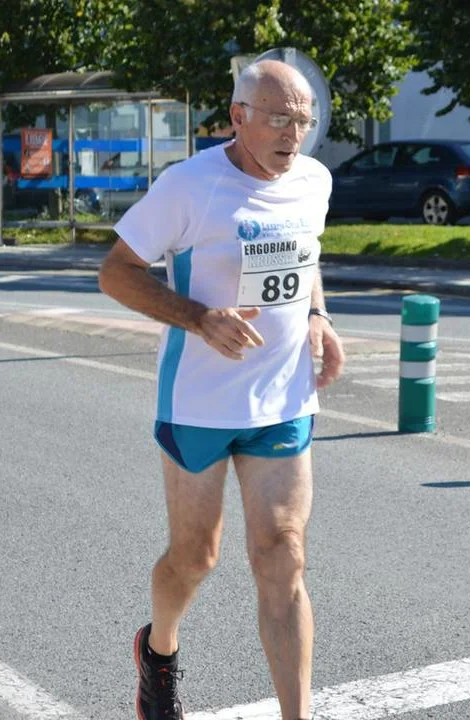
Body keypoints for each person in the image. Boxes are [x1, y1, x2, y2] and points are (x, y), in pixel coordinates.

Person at [98, 59, 344, 720]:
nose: (293, 134)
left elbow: (306, 254)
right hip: (199, 402)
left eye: (304, 120)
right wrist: (199, 318)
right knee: (195, 556)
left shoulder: (314, 181)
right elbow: (116, 273)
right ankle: (158, 650)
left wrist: (318, 315)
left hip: (282, 398)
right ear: (238, 117)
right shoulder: (189, 186)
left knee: (282, 554)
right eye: (278, 119)